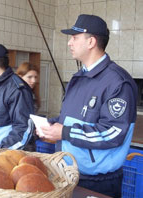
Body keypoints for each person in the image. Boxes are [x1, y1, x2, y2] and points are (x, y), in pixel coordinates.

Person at [37, 14, 137, 198]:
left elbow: (113, 132)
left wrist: (65, 132)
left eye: (74, 38)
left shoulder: (117, 82)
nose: (69, 43)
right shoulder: (79, 77)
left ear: (91, 42)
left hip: (97, 183)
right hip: (67, 174)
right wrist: (50, 126)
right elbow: (69, 119)